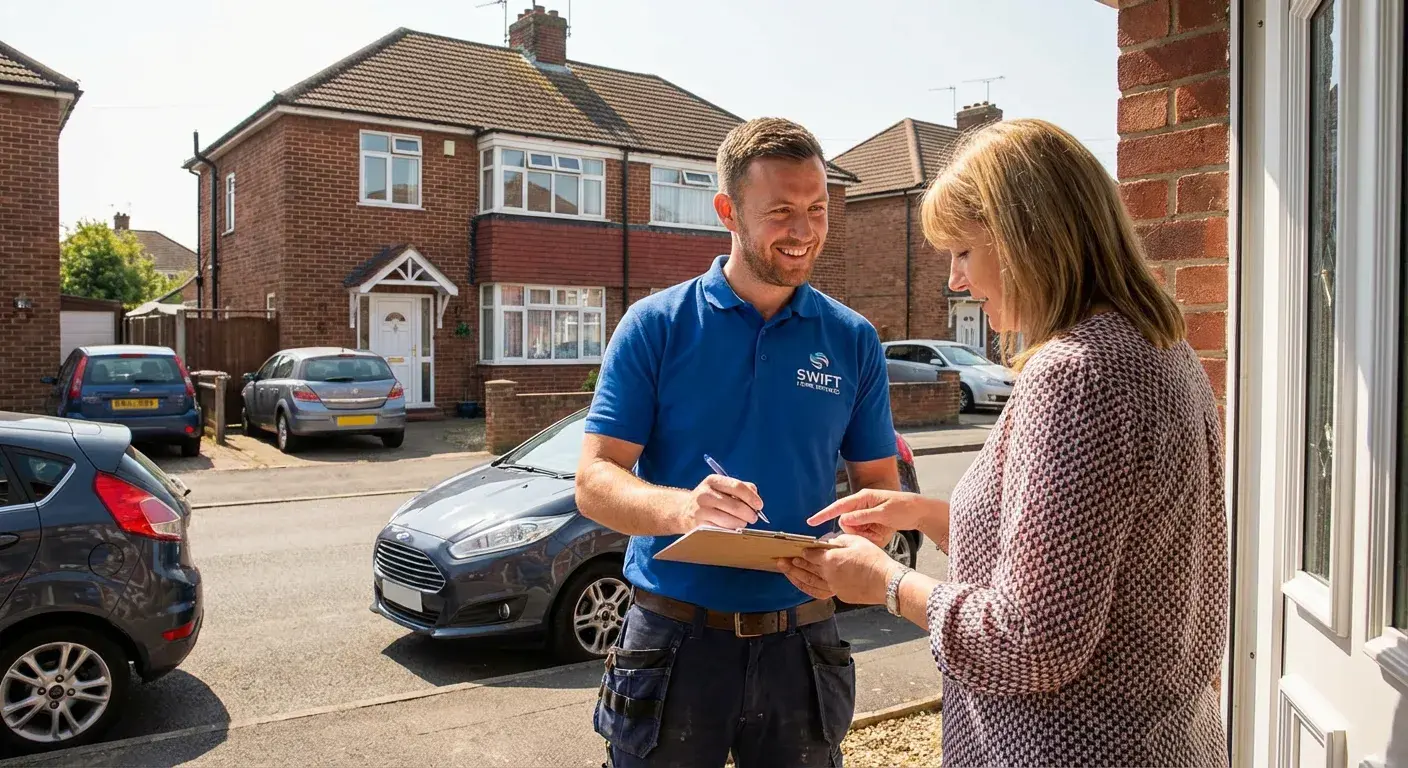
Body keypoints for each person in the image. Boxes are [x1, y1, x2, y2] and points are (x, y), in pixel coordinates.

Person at [778, 118, 1229, 768]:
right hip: (1163, 737)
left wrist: (884, 582)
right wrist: (929, 514)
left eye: (962, 251)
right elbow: (1088, 563)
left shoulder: (1075, 373)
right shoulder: (1162, 348)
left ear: (1028, 237)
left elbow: (1032, 641)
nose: (956, 281)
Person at [575, 117, 901, 768]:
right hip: (672, 640)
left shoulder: (853, 339)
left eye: (817, 209)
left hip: (804, 645)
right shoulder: (655, 326)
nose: (804, 231)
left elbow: (881, 492)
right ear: (727, 210)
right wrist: (683, 512)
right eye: (781, 211)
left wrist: (858, 542)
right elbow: (594, 481)